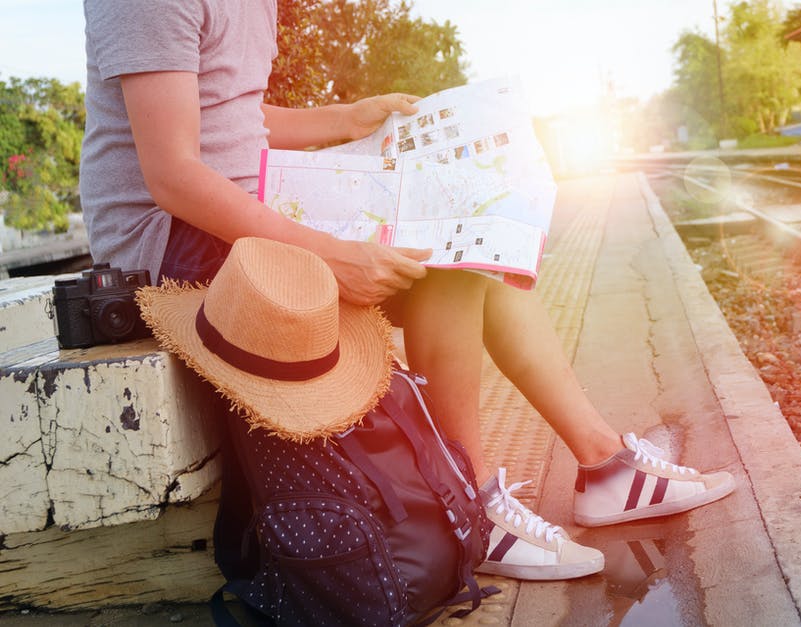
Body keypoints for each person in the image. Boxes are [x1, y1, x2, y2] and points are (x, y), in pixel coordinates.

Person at [82, 0, 734, 583]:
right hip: (173, 236)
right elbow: (172, 172)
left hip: (252, 197)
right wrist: (329, 253)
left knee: (475, 245)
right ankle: (469, 505)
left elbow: (231, 117)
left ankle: (604, 465)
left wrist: (348, 119)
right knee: (441, 266)